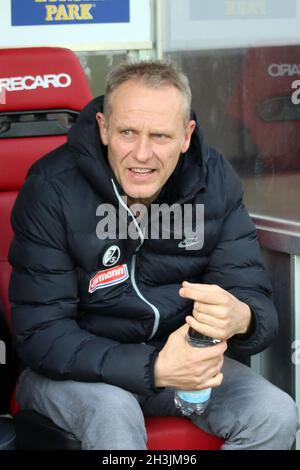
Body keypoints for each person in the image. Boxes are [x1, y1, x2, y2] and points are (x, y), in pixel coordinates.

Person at [9, 61, 298, 450]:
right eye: (128, 131)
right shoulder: (52, 188)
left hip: (184, 361)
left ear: (185, 135)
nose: (142, 154)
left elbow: (251, 296)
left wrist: (241, 317)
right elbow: (41, 335)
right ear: (104, 127)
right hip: (72, 372)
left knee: (274, 413)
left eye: (160, 136)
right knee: (114, 413)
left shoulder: (215, 181)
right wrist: (156, 368)